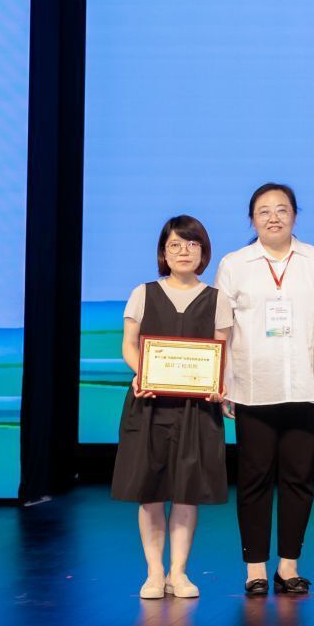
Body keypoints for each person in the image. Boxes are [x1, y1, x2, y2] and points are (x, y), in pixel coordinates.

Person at [215, 183, 314, 598]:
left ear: (295, 215)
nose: (273, 217)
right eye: (263, 211)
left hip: (305, 385)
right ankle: (255, 569)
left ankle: (288, 566)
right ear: (252, 219)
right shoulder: (235, 264)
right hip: (253, 388)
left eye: (282, 209)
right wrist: (222, 382)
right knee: (254, 479)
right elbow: (222, 329)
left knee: (299, 479)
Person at [112, 215, 232, 599]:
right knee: (149, 491)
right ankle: (153, 572)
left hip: (197, 409)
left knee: (186, 491)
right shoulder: (143, 293)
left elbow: (222, 351)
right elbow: (129, 344)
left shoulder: (217, 298)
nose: (184, 252)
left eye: (192, 244)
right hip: (149, 405)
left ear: (203, 252)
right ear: (163, 252)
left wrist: (219, 387)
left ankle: (178, 572)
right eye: (175, 245)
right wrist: (142, 373)